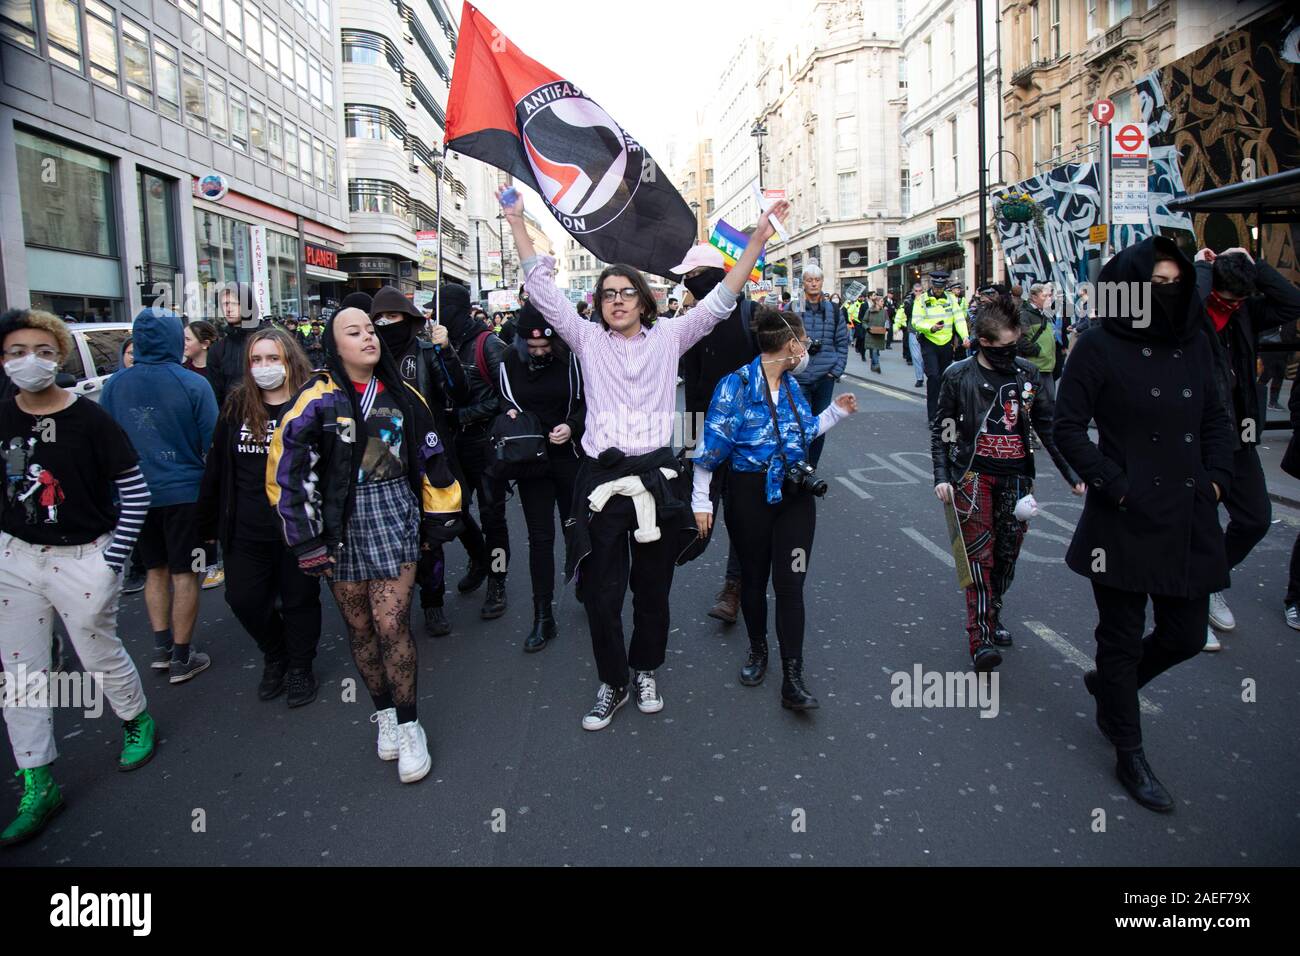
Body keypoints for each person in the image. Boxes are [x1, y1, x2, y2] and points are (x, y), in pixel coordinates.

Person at [504, 182, 787, 731]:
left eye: (626, 292)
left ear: (644, 300)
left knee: (652, 590)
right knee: (602, 594)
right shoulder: (585, 340)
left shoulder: (671, 337)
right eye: (608, 292)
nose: (615, 299)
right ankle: (612, 682)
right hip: (603, 482)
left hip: (657, 483)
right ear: (599, 302)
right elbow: (542, 291)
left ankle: (646, 669)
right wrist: (517, 222)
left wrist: (757, 235)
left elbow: (726, 294)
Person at [1054, 236, 1234, 813]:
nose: (1168, 292)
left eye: (1175, 281)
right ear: (1128, 289)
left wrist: (1216, 479)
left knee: (1185, 633)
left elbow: (1216, 417)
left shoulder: (1194, 341)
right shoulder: (1098, 345)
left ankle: (1112, 685)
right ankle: (1129, 749)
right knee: (1121, 639)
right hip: (1125, 515)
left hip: (1188, 508)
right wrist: (1117, 483)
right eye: (1154, 283)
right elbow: (1067, 427)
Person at [267, 308, 463, 783]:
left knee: (390, 622)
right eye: (353, 332)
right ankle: (386, 714)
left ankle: (411, 722)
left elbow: (434, 457)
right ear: (335, 347)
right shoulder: (313, 401)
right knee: (359, 629)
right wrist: (306, 540)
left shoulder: (404, 396)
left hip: (393, 511)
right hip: (340, 524)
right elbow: (285, 471)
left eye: (370, 330)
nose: (367, 338)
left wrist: (439, 521)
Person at [0, 310, 156, 847]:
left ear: (60, 355)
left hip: (84, 557)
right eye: (17, 350)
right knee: (20, 673)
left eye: (43, 350)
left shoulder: (90, 420)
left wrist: (112, 560)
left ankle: (135, 719)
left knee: (97, 652)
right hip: (16, 558)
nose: (30, 361)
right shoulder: (2, 417)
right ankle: (37, 779)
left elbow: (135, 491)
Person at [692, 307, 859, 709]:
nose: (807, 352)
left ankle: (792, 675)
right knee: (752, 580)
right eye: (804, 344)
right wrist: (700, 500)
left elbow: (801, 433)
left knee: (791, 585)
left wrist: (835, 413)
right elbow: (710, 448)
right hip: (749, 495)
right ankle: (757, 649)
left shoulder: (792, 386)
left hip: (795, 495)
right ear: (791, 345)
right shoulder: (734, 386)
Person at [931, 293, 1083, 670]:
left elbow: (1047, 428)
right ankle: (980, 637)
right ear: (983, 342)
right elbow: (943, 429)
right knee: (978, 557)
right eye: (1005, 346)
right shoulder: (958, 375)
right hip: (972, 475)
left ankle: (993, 611)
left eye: (1016, 345)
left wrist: (1071, 473)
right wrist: (942, 477)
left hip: (1016, 478)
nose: (1012, 353)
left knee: (1007, 555)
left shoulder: (1027, 375)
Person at [197, 328, 322, 707]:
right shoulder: (237, 406)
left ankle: (300, 666)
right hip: (246, 528)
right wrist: (206, 528)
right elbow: (217, 468)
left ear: (290, 361)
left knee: (300, 599)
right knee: (243, 599)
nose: (264, 367)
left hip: (297, 528)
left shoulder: (311, 404)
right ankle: (275, 653)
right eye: (256, 360)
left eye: (273, 359)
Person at [101, 307, 217, 683]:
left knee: (155, 569)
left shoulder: (115, 384)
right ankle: (183, 655)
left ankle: (160, 647)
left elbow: (104, 443)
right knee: (187, 573)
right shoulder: (193, 384)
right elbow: (211, 441)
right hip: (184, 492)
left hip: (134, 494)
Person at [1194, 246, 1300, 648]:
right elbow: (1189, 300)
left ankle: (1208, 581)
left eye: (1240, 299)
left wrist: (1256, 264)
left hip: (1239, 436)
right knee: (1197, 524)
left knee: (1255, 519)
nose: (1233, 305)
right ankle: (1191, 600)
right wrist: (1204, 267)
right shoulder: (1194, 316)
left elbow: (1292, 303)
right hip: (1197, 437)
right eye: (1228, 298)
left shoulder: (1246, 314)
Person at [369, 285, 470, 637]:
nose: (385, 324)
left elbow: (459, 392)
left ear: (407, 319)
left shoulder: (426, 352)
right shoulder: (369, 357)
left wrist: (447, 352)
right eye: (378, 318)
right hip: (383, 464)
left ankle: (433, 602)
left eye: (392, 317)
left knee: (430, 539)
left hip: (427, 459)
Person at [672, 243, 762, 626]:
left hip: (747, 438)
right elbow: (689, 390)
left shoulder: (751, 315)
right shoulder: (692, 322)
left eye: (690, 276)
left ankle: (734, 588)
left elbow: (773, 373)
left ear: (708, 275)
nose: (686, 284)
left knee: (742, 518)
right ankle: (673, 553)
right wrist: (688, 445)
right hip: (708, 439)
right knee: (700, 514)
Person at [498, 304, 586, 652]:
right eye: (531, 348)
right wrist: (509, 414)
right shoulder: (508, 361)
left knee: (575, 526)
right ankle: (542, 616)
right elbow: (501, 399)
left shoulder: (573, 360)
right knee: (539, 537)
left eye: (544, 347)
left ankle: (583, 578)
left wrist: (573, 426)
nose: (538, 352)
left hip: (568, 457)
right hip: (531, 460)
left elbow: (588, 402)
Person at [443, 292, 511, 619]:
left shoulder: (488, 345)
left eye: (445, 312)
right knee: (453, 510)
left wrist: (465, 415)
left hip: (485, 443)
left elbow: (506, 397)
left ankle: (497, 579)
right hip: (451, 445)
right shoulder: (443, 345)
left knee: (493, 517)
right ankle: (479, 558)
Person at [792, 264, 848, 468]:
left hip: (825, 378)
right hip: (800, 376)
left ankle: (811, 467)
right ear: (804, 283)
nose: (813, 283)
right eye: (809, 279)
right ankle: (800, 465)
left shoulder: (833, 310)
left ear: (822, 282)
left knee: (820, 426)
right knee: (801, 425)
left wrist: (836, 371)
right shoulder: (795, 307)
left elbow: (842, 342)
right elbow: (785, 338)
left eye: (817, 280)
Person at [907, 271, 968, 421]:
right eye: (936, 286)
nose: (938, 289)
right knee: (933, 377)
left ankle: (944, 412)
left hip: (946, 343)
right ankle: (932, 416)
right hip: (930, 342)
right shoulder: (921, 300)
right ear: (932, 285)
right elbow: (916, 321)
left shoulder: (951, 299)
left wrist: (965, 336)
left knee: (944, 378)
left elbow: (959, 319)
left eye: (941, 287)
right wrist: (931, 327)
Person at [207, 284, 262, 412]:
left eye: (235, 303)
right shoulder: (218, 349)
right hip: (233, 417)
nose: (229, 309)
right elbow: (216, 392)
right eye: (225, 304)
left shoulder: (266, 339)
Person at [893, 281, 926, 388]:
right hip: (913, 331)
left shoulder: (928, 300)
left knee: (926, 356)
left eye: (920, 291)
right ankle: (919, 378)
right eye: (916, 291)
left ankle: (927, 373)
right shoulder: (908, 301)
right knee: (916, 357)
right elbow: (899, 314)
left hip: (927, 332)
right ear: (913, 291)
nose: (918, 293)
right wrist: (896, 327)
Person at [860, 291, 889, 373]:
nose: (883, 303)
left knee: (875, 351)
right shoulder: (869, 311)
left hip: (880, 335)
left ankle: (873, 365)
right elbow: (864, 321)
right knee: (874, 350)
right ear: (876, 302)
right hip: (871, 334)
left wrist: (887, 328)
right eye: (881, 301)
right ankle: (877, 365)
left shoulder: (884, 312)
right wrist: (868, 328)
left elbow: (887, 321)